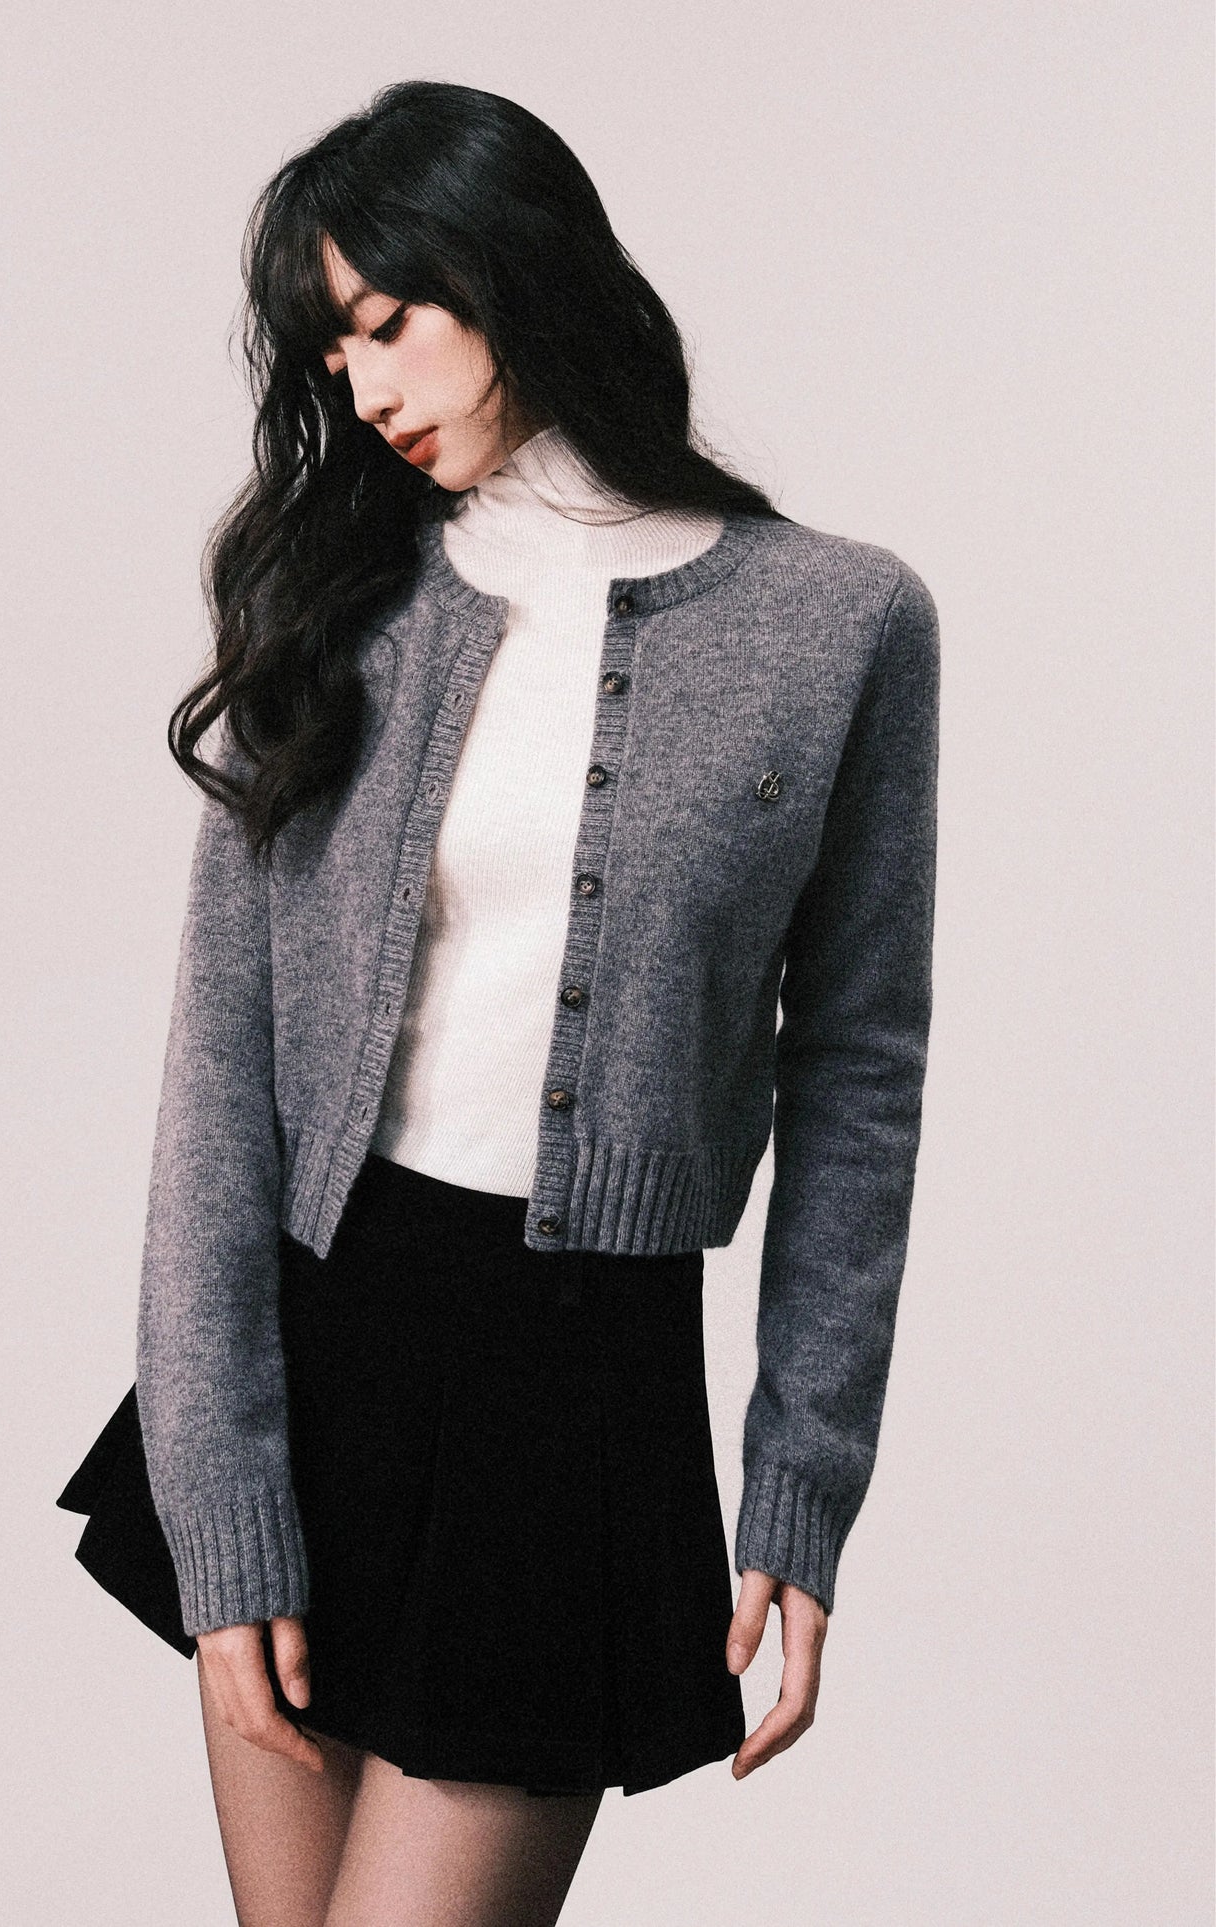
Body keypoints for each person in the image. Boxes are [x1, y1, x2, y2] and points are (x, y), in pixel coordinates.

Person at [58, 78, 940, 1927]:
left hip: (575, 1391)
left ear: (514, 267)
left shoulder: (840, 623)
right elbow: (218, 1073)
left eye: (388, 321)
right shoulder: (342, 605)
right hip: (307, 1361)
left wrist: (804, 1474)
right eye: (332, 352)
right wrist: (220, 1499)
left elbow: (858, 1072)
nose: (363, 388)